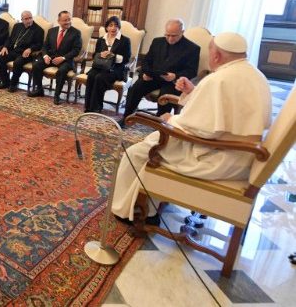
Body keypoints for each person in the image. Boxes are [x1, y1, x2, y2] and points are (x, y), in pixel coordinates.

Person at [111, 32, 271, 223]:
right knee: (154, 143)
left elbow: (199, 129)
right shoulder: (256, 74)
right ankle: (150, 205)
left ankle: (133, 212)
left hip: (215, 158)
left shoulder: (218, 79)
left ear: (216, 56)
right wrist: (193, 92)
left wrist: (169, 120)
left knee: (137, 153)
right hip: (240, 155)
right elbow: (219, 111)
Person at [120, 19, 200, 126]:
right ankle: (127, 117)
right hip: (153, 77)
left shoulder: (192, 48)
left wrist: (175, 76)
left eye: (174, 35)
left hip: (173, 82)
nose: (170, 38)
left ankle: (159, 124)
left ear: (182, 32)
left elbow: (192, 71)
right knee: (136, 88)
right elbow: (146, 61)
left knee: (165, 96)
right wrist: (145, 73)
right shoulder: (157, 42)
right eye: (167, 35)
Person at [28, 11, 82, 104]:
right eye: (65, 20)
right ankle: (39, 90)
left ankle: (57, 95)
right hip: (51, 57)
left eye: (69, 19)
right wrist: (45, 56)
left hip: (66, 60)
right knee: (36, 64)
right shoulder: (52, 31)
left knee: (62, 71)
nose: (68, 22)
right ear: (59, 21)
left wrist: (63, 58)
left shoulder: (76, 33)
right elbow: (45, 46)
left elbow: (76, 50)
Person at [84, 16, 132, 113]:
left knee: (99, 78)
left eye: (116, 25)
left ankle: (96, 107)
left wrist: (113, 56)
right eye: (111, 25)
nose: (113, 28)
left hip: (116, 68)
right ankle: (88, 106)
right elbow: (95, 54)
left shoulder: (125, 40)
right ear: (107, 27)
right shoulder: (101, 39)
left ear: (119, 27)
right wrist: (100, 54)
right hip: (101, 66)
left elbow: (126, 59)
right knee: (92, 75)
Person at [0, 11, 44, 92]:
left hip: (26, 53)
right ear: (22, 19)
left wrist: (30, 49)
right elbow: (10, 39)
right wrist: (5, 47)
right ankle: (5, 82)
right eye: (26, 19)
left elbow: (39, 44)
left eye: (30, 18)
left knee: (18, 62)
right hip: (13, 50)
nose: (29, 20)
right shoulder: (17, 26)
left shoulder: (39, 30)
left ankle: (13, 84)